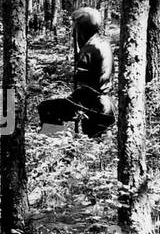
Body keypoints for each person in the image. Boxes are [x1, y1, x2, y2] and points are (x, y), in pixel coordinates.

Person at [38, 7, 115, 137]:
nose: (73, 31)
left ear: (82, 27)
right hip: (106, 103)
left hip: (92, 104)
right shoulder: (103, 43)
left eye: (75, 27)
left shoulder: (89, 49)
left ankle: (56, 142)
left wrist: (72, 101)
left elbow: (85, 86)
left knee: (46, 108)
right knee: (96, 141)